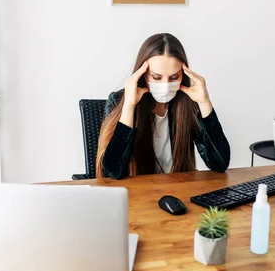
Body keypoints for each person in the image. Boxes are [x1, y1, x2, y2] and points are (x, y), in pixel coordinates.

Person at [96, 33, 230, 179]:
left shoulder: (189, 103)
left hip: (177, 189)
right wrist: (129, 106)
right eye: (156, 77)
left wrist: (204, 102)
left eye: (174, 77)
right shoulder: (118, 100)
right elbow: (112, 172)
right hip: (137, 194)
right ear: (143, 73)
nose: (165, 85)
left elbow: (219, 164)